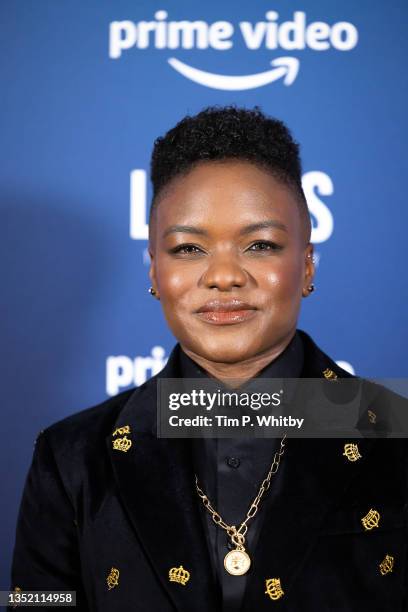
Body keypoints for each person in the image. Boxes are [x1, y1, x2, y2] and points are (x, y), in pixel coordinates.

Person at [9, 106, 408, 611]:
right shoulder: (71, 460)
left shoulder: (396, 437)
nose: (224, 276)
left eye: (260, 244)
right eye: (189, 249)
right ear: (154, 269)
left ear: (306, 263)